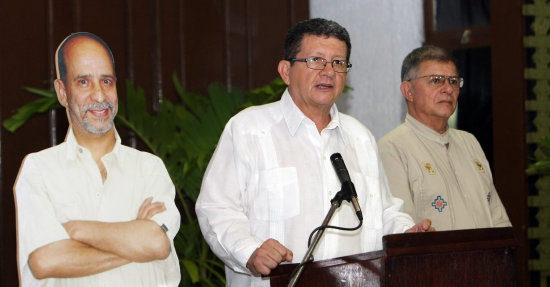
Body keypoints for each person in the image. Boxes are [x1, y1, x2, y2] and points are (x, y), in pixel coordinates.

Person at [195, 18, 433, 286]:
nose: (328, 71)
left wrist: (406, 232)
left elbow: (383, 211)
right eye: (316, 60)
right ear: (286, 71)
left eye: (338, 63)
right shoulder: (249, 130)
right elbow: (216, 208)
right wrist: (249, 251)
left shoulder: (360, 137)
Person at [14, 32, 181, 286]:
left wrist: (76, 230)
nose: (100, 96)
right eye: (83, 82)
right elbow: (45, 261)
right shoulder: (39, 170)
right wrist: (135, 237)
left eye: (106, 81)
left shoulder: (149, 168)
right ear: (62, 92)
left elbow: (157, 242)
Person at [378, 45, 511, 231]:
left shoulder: (470, 142)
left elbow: (498, 219)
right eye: (436, 81)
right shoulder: (391, 148)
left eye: (453, 81)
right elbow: (401, 228)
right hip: (433, 260)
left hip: (486, 259)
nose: (448, 89)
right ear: (409, 91)